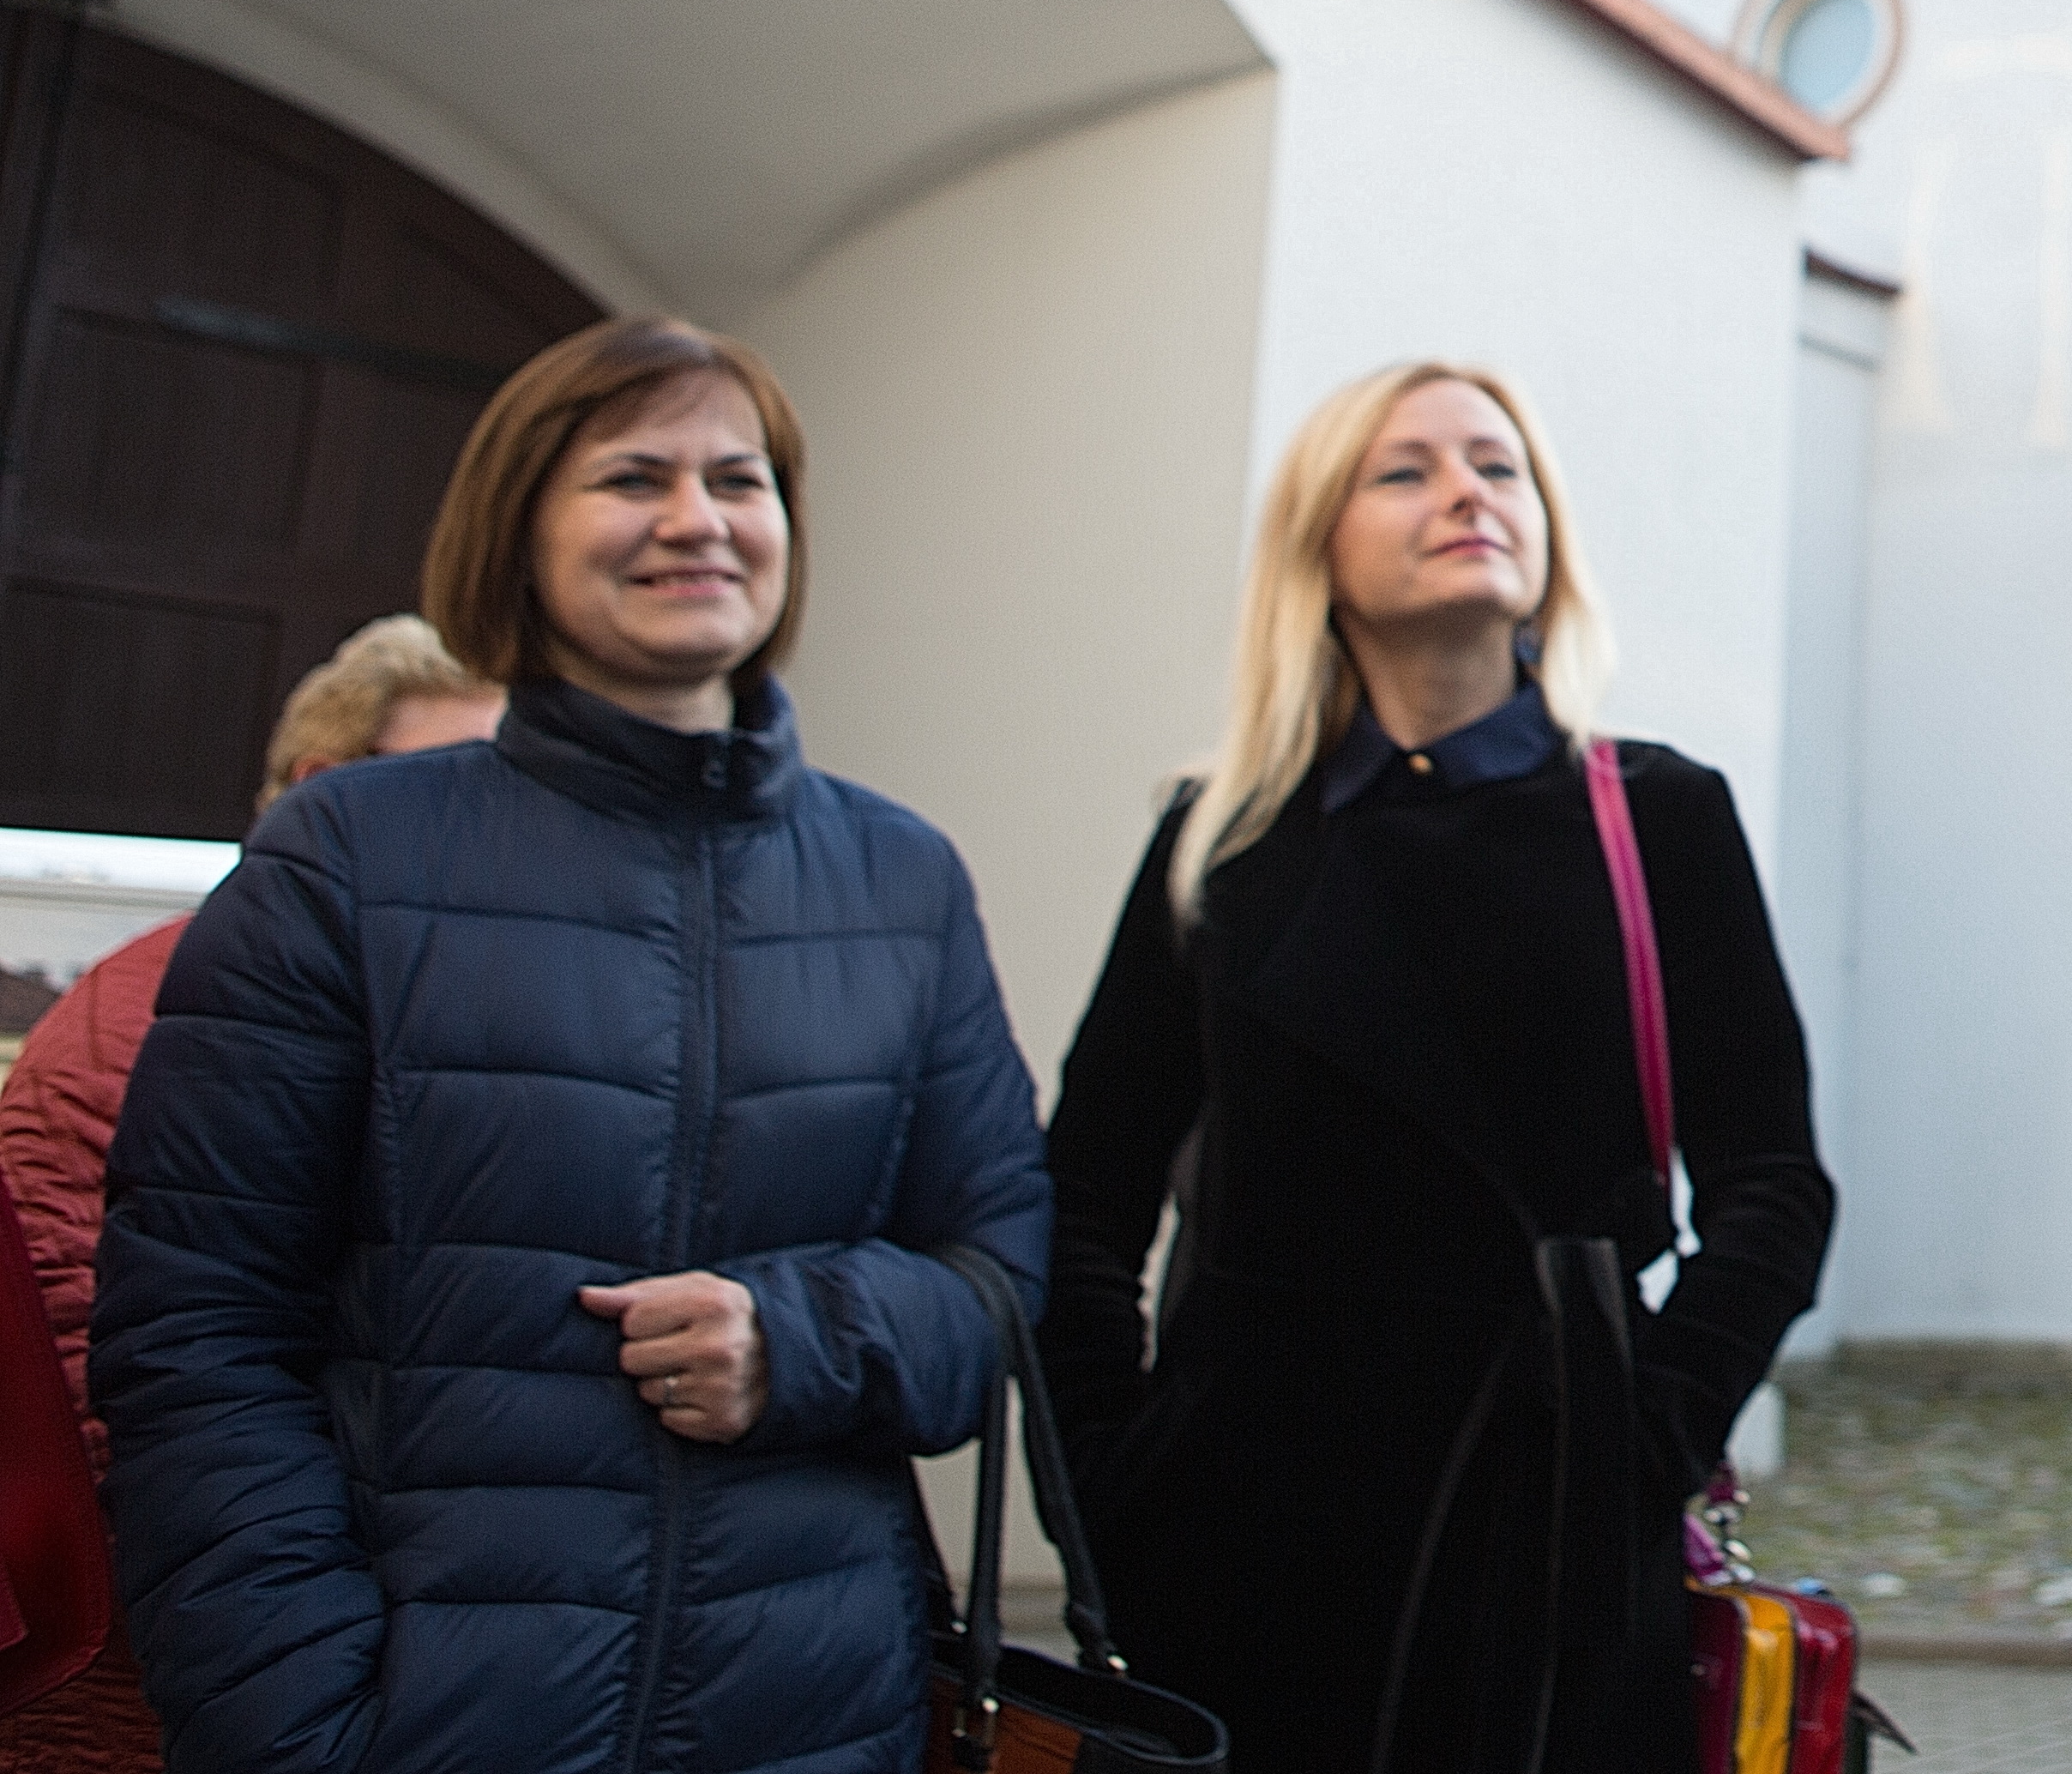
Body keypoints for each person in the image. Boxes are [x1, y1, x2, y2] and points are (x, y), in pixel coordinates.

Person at [93, 318, 1049, 1774]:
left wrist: (800, 1338)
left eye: (740, 479)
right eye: (632, 477)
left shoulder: (902, 881)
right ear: (518, 531)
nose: (696, 520)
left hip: (809, 1723)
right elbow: (194, 1331)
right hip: (425, 1725)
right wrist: (291, 1718)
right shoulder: (344, 857)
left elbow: (997, 1282)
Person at [1040, 360, 1834, 1774]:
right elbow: (1085, 1193)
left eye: (1499, 465)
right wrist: (1109, 1479)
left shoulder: (1658, 818)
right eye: (1405, 470)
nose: (1467, 492)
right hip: (1245, 1532)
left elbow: (1773, 1189)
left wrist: (1645, 1439)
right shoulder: (1221, 838)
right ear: (1319, 548)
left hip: (1549, 1534)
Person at [0, 618, 504, 1774]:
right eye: (454, 788)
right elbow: (128, 1415)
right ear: (325, 794)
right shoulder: (162, 1016)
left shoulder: (419, 1010)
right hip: (197, 1670)